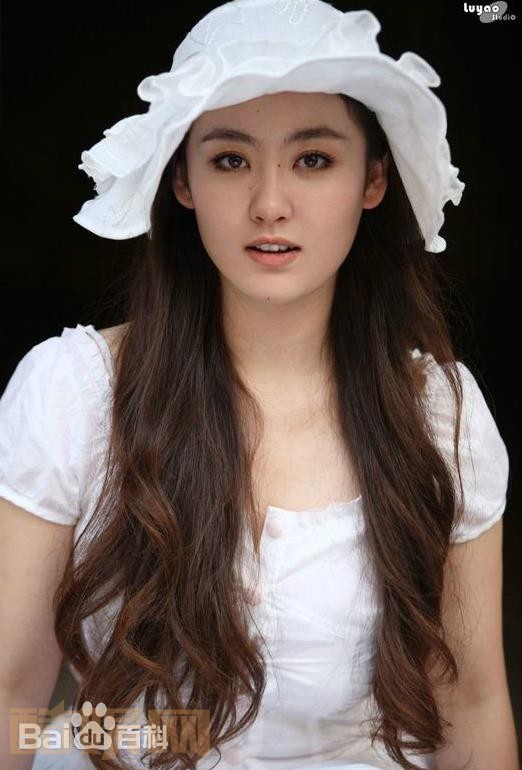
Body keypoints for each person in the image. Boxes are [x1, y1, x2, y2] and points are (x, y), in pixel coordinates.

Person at [0, 1, 518, 769]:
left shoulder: (440, 413)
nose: (270, 203)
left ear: (373, 180)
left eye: (314, 160)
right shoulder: (73, 394)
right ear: (183, 179)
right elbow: (13, 700)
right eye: (231, 160)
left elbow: (471, 708)